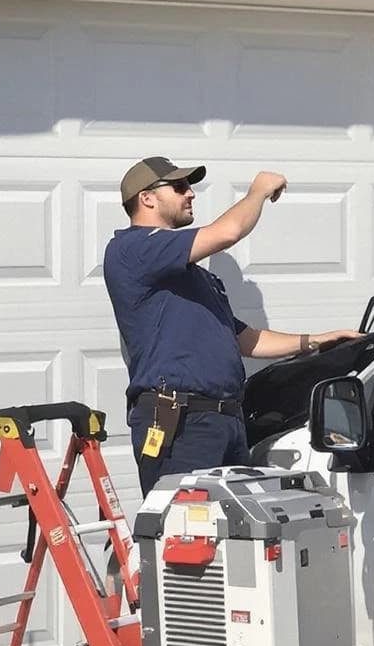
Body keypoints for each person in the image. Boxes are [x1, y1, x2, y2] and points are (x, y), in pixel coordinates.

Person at [104, 157, 356, 493]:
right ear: (147, 198)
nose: (190, 193)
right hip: (181, 423)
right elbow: (228, 232)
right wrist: (258, 191)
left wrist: (316, 341)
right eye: (179, 187)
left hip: (227, 420)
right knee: (187, 536)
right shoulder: (132, 248)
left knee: (235, 538)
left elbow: (243, 339)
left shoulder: (194, 276)